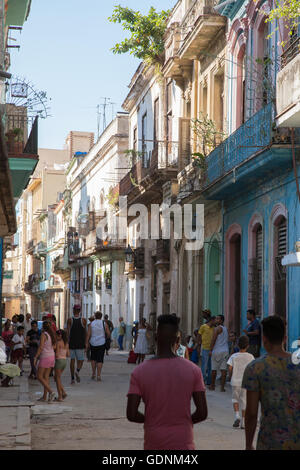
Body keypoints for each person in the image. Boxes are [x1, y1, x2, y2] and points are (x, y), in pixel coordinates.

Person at [127, 314, 207, 450]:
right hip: (183, 442)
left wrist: (151, 420)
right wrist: (185, 422)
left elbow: (132, 414)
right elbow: (202, 412)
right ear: (177, 340)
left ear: (156, 338)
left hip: (154, 442)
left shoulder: (139, 372)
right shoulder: (193, 370)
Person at [243, 316, 300, 450]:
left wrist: (248, 444)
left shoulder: (255, 368)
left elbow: (251, 413)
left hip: (270, 441)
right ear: (285, 338)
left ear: (264, 339)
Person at [227, 335, 254, 429]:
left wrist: (230, 376)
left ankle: (237, 416)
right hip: (246, 382)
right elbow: (252, 369)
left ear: (238, 345)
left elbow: (230, 368)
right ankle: (243, 423)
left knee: (235, 399)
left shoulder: (233, 356)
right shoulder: (251, 357)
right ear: (248, 346)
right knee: (244, 401)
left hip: (235, 381)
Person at [34, 321, 56, 403]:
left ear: (43, 327)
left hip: (45, 357)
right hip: (51, 356)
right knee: (46, 377)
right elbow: (54, 346)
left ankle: (51, 392)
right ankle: (44, 396)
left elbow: (41, 347)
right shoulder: (52, 335)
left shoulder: (44, 335)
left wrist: (36, 357)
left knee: (39, 376)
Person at [85, 311, 111, 381]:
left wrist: (87, 343)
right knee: (100, 359)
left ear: (95, 316)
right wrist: (106, 337)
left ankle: (93, 373)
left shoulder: (91, 324)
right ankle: (98, 375)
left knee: (93, 358)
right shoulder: (104, 323)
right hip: (101, 343)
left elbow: (88, 334)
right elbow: (108, 333)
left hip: (93, 343)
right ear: (101, 316)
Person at [67, 305, 87, 384]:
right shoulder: (83, 320)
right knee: (81, 360)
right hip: (80, 343)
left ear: (73, 310)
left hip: (72, 343)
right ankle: (77, 371)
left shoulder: (70, 320)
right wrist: (86, 342)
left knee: (72, 360)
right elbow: (85, 332)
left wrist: (67, 342)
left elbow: (68, 332)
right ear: (80, 311)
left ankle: (72, 379)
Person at [209, 315, 229, 392]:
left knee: (214, 369)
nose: (216, 320)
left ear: (221, 321)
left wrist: (210, 350)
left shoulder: (217, 329)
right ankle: (222, 387)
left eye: (218, 319)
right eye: (216, 318)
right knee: (223, 369)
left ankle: (212, 385)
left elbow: (213, 339)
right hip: (225, 350)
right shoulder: (225, 329)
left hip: (217, 351)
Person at [198, 316, 216, 385]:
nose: (216, 322)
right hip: (205, 348)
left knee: (210, 366)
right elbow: (199, 335)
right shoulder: (203, 326)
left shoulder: (214, 328)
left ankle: (209, 381)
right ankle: (202, 380)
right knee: (204, 365)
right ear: (212, 320)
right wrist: (199, 344)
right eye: (215, 320)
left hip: (212, 349)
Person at [54, 329, 69, 401]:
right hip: (64, 361)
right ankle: (63, 392)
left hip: (59, 361)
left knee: (57, 379)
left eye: (56, 335)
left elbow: (56, 354)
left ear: (59, 335)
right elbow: (68, 354)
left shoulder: (58, 343)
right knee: (57, 378)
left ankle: (60, 396)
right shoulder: (66, 343)